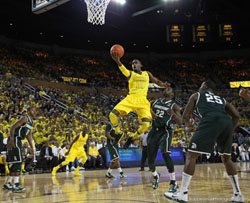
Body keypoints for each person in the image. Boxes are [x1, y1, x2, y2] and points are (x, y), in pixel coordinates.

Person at [165, 80, 244, 203]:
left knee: (191, 155)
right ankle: (238, 194)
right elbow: (237, 116)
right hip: (227, 123)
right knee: (226, 158)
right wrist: (228, 130)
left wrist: (189, 126)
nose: (199, 86)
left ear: (205, 86)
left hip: (210, 120)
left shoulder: (197, 95)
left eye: (201, 85)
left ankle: (183, 194)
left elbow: (185, 116)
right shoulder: (221, 99)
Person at [109, 52, 169, 148]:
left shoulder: (147, 73)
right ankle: (118, 132)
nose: (134, 65)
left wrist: (162, 85)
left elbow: (156, 80)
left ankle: (132, 138)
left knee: (146, 124)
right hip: (131, 98)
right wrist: (118, 61)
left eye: (136, 63)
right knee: (112, 114)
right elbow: (123, 70)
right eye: (132, 64)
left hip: (143, 101)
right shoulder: (131, 74)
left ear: (141, 65)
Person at [147, 87, 181, 191]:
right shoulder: (155, 101)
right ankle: (156, 175)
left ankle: (173, 181)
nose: (168, 89)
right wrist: (150, 111)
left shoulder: (174, 106)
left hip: (165, 131)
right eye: (167, 88)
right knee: (150, 162)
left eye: (170, 89)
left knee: (165, 152)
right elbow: (145, 105)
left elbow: (180, 122)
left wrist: (173, 114)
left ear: (172, 95)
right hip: (154, 131)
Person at [2, 106, 36, 192]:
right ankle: (16, 185)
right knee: (18, 162)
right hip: (15, 139)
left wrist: (32, 147)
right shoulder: (25, 118)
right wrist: (12, 140)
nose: (34, 112)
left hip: (18, 140)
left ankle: (8, 183)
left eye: (35, 110)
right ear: (28, 111)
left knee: (15, 162)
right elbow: (12, 127)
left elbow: (29, 135)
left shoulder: (32, 122)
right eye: (32, 110)